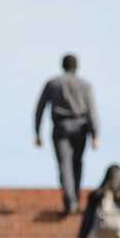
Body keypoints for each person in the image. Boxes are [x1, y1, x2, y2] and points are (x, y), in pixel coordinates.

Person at [34, 53, 99, 215]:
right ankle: (74, 198)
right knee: (77, 163)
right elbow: (92, 111)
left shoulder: (52, 84)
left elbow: (40, 109)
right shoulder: (85, 85)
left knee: (65, 164)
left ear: (62, 66)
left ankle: (71, 201)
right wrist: (95, 134)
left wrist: (37, 133)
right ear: (76, 66)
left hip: (61, 127)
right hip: (81, 127)